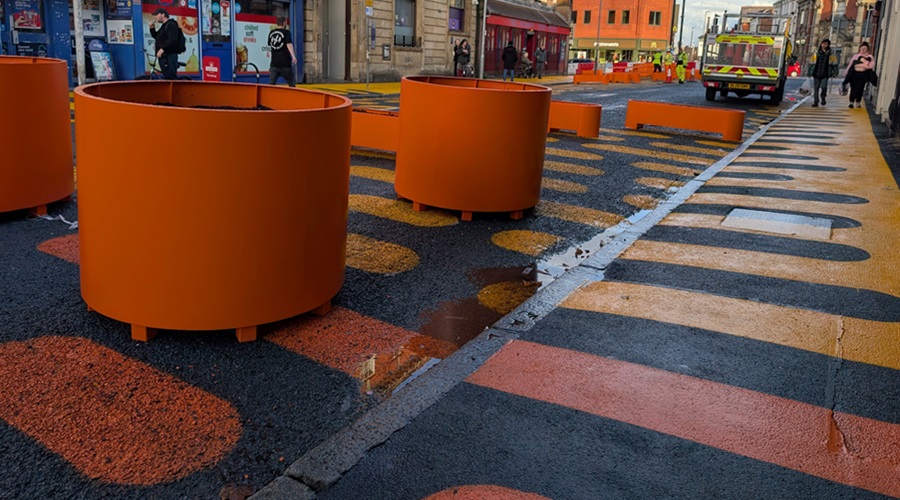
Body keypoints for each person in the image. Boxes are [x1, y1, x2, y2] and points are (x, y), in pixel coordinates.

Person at [149, 8, 180, 80]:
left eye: (157, 14)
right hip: (164, 56)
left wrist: (162, 49)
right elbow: (157, 37)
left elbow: (173, 40)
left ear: (163, 15)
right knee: (166, 76)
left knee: (170, 77)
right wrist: (152, 28)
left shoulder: (171, 24)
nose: (156, 17)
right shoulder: (164, 26)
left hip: (169, 55)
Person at [806, 38, 837, 107]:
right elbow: (811, 63)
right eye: (823, 43)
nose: (824, 45)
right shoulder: (816, 52)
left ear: (828, 45)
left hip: (825, 73)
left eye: (826, 44)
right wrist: (809, 72)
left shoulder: (831, 53)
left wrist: (835, 72)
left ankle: (823, 97)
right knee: (816, 88)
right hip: (816, 73)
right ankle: (816, 101)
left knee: (824, 87)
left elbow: (834, 64)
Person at [843, 41, 875, 108]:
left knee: (860, 89)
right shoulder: (855, 56)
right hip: (854, 75)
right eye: (862, 48)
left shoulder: (870, 57)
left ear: (867, 50)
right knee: (853, 88)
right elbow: (851, 64)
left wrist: (858, 64)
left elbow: (870, 66)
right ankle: (851, 102)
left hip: (863, 75)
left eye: (865, 49)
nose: (863, 50)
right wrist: (846, 72)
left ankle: (858, 102)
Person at [267, 16, 296, 87]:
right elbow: (289, 44)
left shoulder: (271, 33)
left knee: (271, 84)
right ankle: (294, 97)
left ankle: (268, 97)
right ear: (284, 23)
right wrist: (293, 56)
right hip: (285, 63)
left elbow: (269, 44)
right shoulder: (286, 32)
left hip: (274, 63)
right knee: (291, 84)